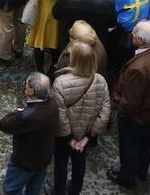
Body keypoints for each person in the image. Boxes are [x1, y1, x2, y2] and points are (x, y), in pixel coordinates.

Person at [109, 21, 150, 188]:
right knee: (146, 141)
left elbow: (130, 102)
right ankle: (141, 171)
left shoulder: (138, 68)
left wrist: (120, 111)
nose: (132, 35)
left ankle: (127, 177)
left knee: (129, 145)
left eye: (134, 34)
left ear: (142, 41)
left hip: (136, 114)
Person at [51, 41, 110, 195]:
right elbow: (105, 114)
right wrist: (87, 138)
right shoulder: (101, 81)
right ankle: (75, 189)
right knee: (79, 162)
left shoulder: (60, 83)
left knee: (61, 162)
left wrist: (69, 138)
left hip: (64, 136)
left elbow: (60, 116)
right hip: (84, 133)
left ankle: (58, 190)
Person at [0, 72, 59, 195]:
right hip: (43, 158)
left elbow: (4, 124)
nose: (24, 87)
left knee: (11, 189)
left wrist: (17, 113)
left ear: (31, 91)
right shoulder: (53, 104)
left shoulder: (27, 117)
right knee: (34, 189)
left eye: (26, 85)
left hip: (24, 162)